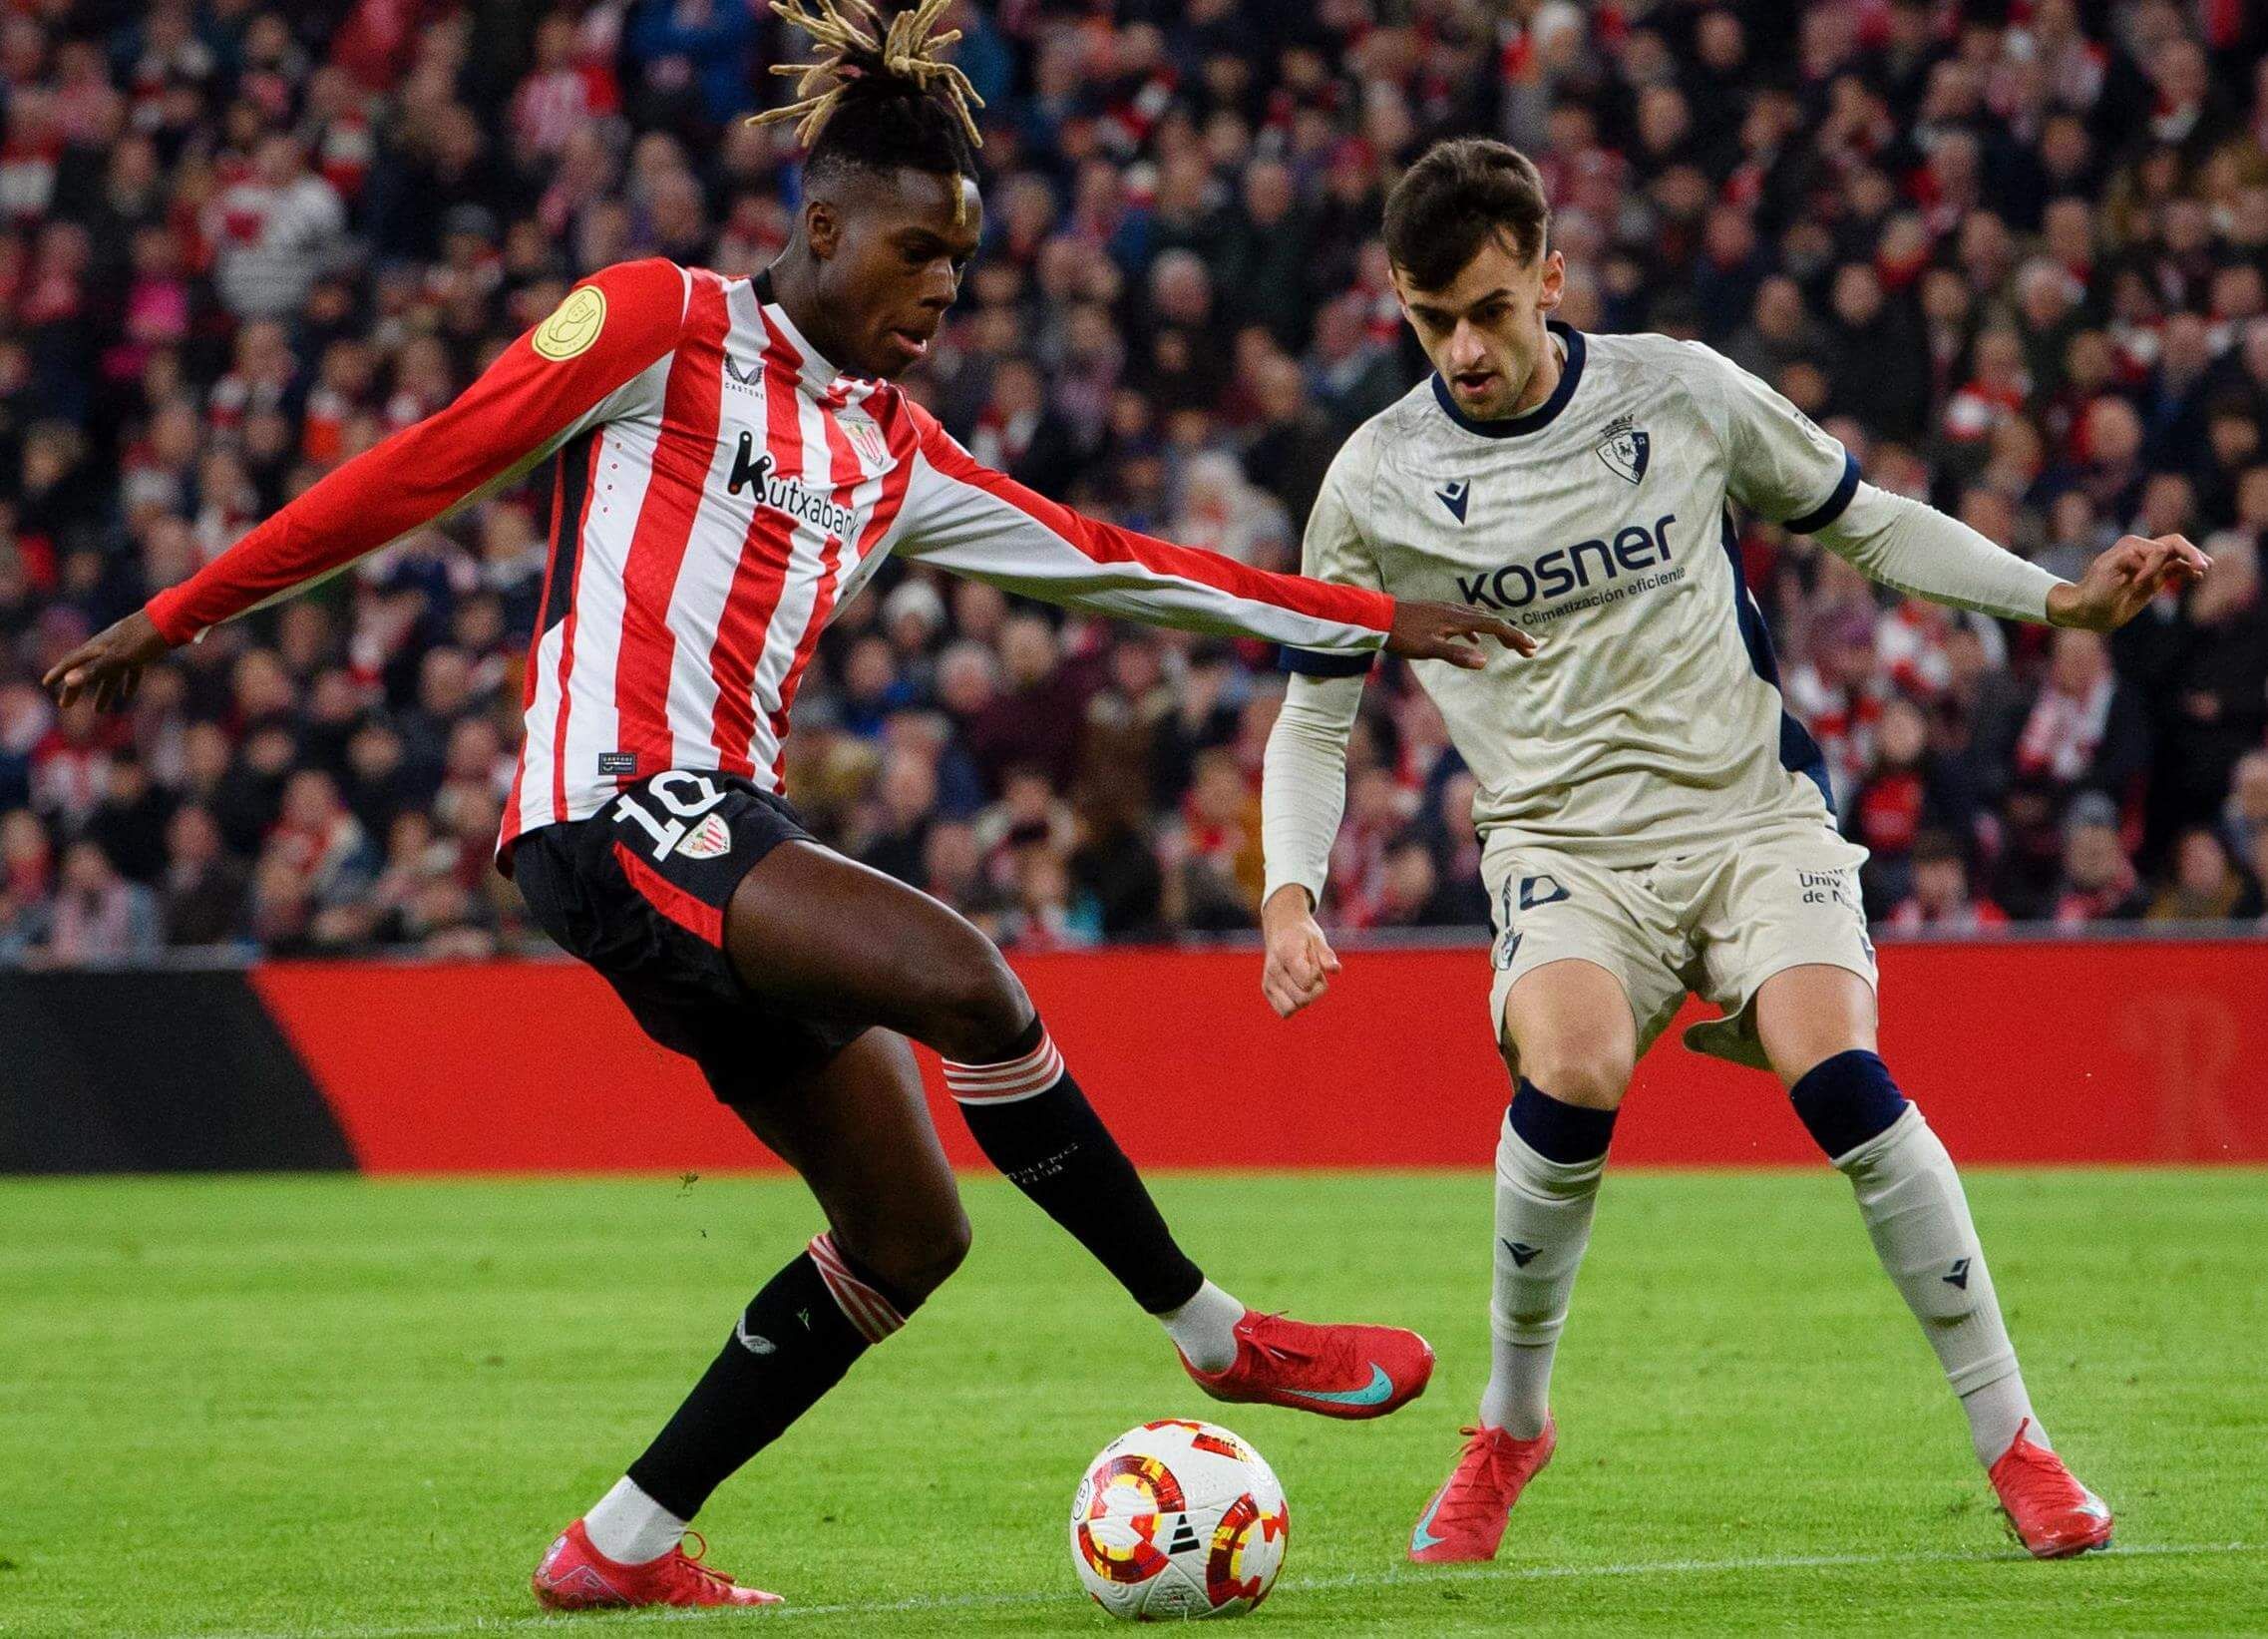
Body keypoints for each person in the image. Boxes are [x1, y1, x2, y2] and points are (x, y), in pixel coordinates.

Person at [45, 4, 1529, 1612]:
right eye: (912, 255)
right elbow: (421, 464)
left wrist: (1367, 618)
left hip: (711, 840)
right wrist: (180, 612)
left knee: (908, 1235)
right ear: (819, 226)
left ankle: (616, 1548)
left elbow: (1124, 563)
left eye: (958, 268)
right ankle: (1214, 1335)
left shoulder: (899, 452)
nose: (939, 293)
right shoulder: (653, 324)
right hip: (609, 811)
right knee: (969, 979)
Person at [1256, 139, 2210, 1568]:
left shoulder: (1678, 389)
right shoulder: (1375, 481)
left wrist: (2059, 602)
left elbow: (1865, 520)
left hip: (1751, 814)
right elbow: (1311, 719)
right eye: (1428, 317)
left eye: (1490, 309)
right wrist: (1288, 894)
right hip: (1561, 846)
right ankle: (1510, 1425)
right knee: (1571, 1065)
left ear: (1550, 279)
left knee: (1838, 1074)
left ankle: (2014, 1438)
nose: (1462, 347)